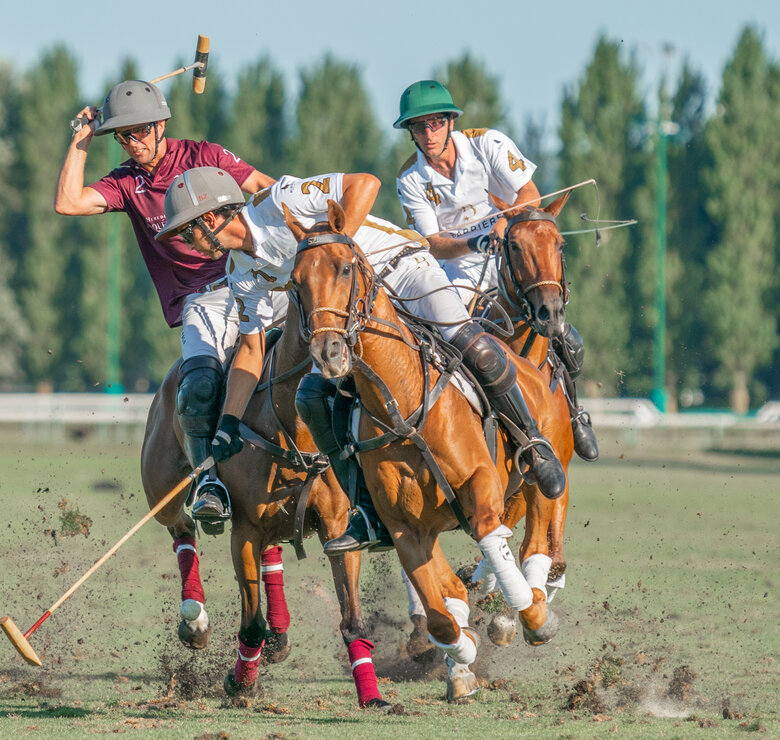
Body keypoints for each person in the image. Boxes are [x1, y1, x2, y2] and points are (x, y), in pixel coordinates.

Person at [157, 166, 567, 554]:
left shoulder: (280, 198)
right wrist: (228, 425)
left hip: (398, 269)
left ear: (209, 220)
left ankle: (533, 444)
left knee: (468, 342)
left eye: (185, 232)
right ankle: (366, 510)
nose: (184, 243)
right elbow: (250, 350)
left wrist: (340, 253)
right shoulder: (240, 271)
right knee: (312, 398)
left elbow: (366, 184)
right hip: (346, 310)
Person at [54, 80, 276, 528]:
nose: (131, 143)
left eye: (137, 132)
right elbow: (68, 202)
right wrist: (81, 140)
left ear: (160, 125)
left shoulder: (205, 155)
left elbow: (266, 188)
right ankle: (209, 481)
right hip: (201, 298)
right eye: (122, 136)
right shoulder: (126, 182)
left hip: (254, 276)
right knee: (197, 388)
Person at [393, 80, 598, 462]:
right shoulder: (410, 179)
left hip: (511, 253)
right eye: (419, 127)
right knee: (458, 343)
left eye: (435, 123)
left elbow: (530, 193)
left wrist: (502, 226)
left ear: (450, 122)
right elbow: (433, 241)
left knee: (549, 315)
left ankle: (574, 411)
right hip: (457, 270)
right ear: (411, 133)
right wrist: (473, 244)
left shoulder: (489, 143)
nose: (428, 134)